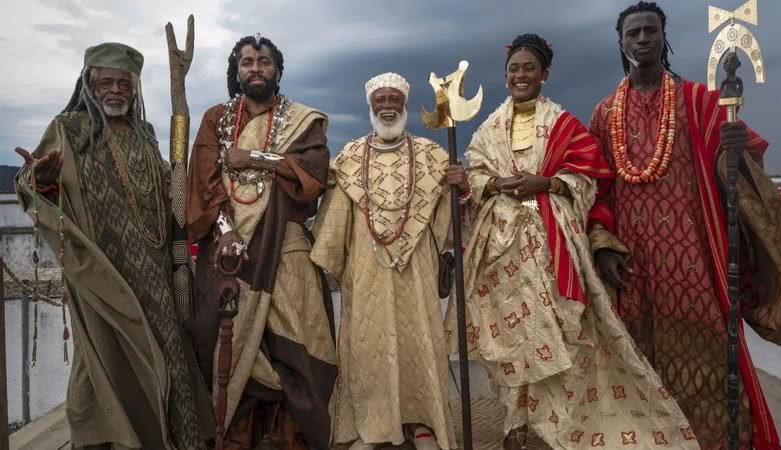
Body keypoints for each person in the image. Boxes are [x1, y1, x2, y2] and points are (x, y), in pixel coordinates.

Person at [447, 33, 699, 450]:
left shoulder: (565, 125)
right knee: (510, 342)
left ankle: (557, 427)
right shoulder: (488, 129)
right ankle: (514, 424)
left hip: (550, 247)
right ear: (505, 76)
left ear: (544, 74)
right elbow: (474, 180)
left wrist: (545, 182)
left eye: (529, 68)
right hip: (501, 253)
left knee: (556, 337)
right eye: (514, 69)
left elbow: (589, 180)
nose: (520, 75)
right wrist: (489, 184)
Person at [588, 2, 781, 448]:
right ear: (620, 43)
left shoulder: (701, 101)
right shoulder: (604, 114)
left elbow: (737, 165)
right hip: (632, 265)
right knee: (636, 360)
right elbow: (596, 189)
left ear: (664, 37)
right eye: (632, 33)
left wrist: (734, 149)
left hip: (694, 260)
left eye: (650, 30)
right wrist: (602, 244)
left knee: (707, 356)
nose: (642, 39)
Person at [14, 42, 214, 449]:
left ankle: (179, 439)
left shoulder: (145, 133)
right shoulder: (68, 129)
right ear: (89, 84)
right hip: (104, 272)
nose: (116, 90)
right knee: (106, 359)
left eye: (125, 83)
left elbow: (169, 187)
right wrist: (43, 182)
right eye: (107, 82)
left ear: (135, 88)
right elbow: (32, 183)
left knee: (171, 354)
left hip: (156, 271)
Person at [185, 35, 336, 450]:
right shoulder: (217, 119)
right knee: (226, 342)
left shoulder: (303, 121)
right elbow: (203, 181)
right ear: (237, 71)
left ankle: (293, 433)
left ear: (278, 71)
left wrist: (254, 158)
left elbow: (315, 174)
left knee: (297, 343)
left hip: (286, 250)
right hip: (229, 255)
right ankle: (237, 432)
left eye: (264, 61)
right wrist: (226, 231)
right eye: (248, 62)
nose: (256, 68)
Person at [310, 72, 456, 450]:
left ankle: (422, 424)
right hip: (366, 265)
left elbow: (451, 210)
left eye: (394, 99)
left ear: (404, 105)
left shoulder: (430, 155)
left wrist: (460, 187)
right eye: (380, 100)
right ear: (370, 105)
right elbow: (335, 214)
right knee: (367, 346)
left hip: (417, 266)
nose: (387, 106)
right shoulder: (350, 157)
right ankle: (372, 428)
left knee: (420, 341)